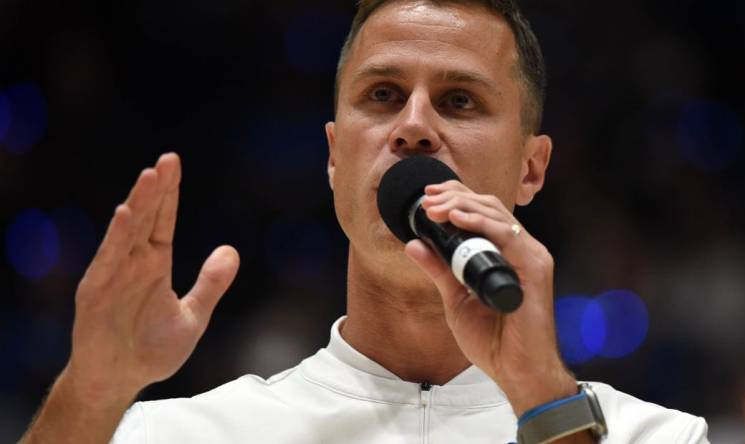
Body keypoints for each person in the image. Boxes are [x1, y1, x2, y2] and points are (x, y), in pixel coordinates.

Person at [21, 1, 710, 443]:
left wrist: (541, 399)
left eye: (460, 100)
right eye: (382, 95)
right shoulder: (181, 433)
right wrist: (93, 390)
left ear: (531, 169)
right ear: (332, 157)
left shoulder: (654, 436)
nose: (413, 126)